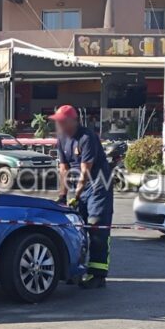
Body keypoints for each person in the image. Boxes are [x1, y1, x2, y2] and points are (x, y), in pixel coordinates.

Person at [51, 105, 113, 289]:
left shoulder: (87, 138)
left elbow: (86, 170)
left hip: (98, 188)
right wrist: (62, 195)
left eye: (62, 121)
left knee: (96, 228)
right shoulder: (62, 139)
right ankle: (76, 270)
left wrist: (76, 194)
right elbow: (64, 169)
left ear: (73, 121)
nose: (59, 125)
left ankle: (98, 275)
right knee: (78, 229)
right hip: (82, 188)